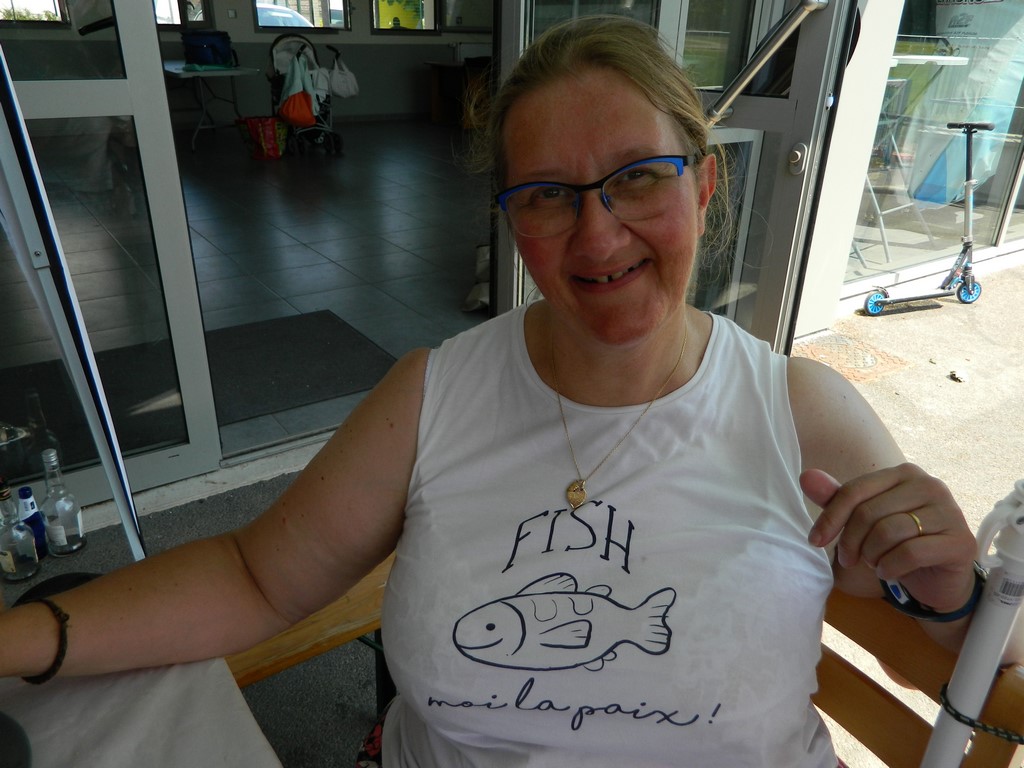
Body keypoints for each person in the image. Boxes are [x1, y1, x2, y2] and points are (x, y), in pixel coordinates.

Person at [0, 15, 1011, 768]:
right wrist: (15, 641)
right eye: (548, 195)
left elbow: (993, 684)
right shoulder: (434, 393)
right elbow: (256, 578)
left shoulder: (802, 412)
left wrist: (951, 597)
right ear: (512, 222)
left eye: (639, 177)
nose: (598, 234)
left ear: (704, 187)